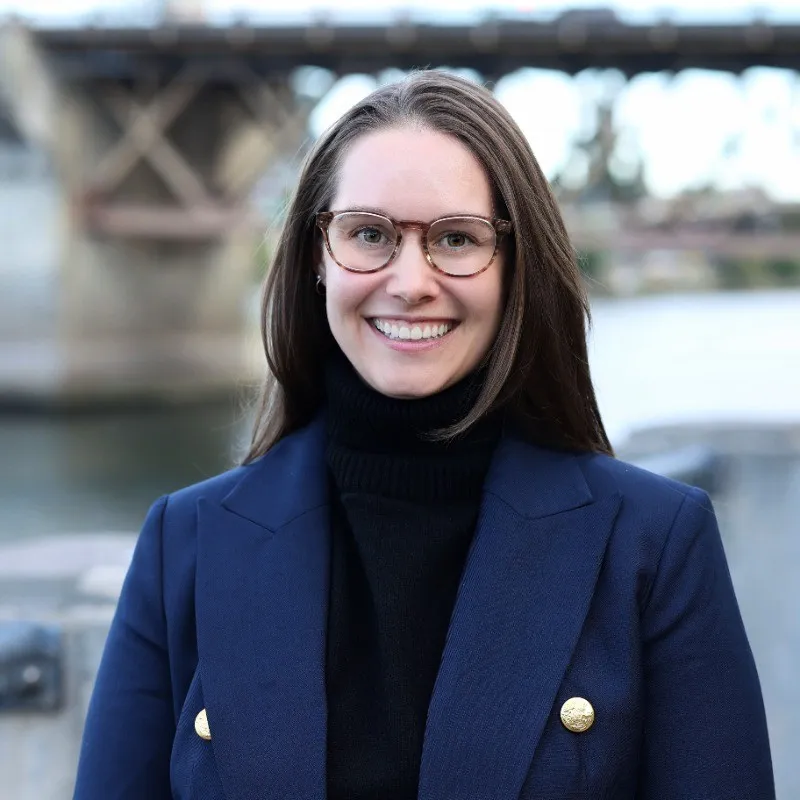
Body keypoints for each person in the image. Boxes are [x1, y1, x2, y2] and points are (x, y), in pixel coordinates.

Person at [73, 70, 774, 800]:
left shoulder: (653, 545)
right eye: (369, 234)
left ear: (515, 266)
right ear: (318, 255)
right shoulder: (184, 544)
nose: (410, 280)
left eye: (457, 238)